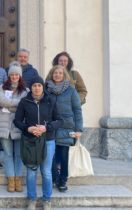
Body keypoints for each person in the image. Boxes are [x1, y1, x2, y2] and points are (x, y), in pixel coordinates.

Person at [14, 76, 63, 210]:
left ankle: (47, 199)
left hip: (47, 140)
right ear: (31, 87)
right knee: (31, 171)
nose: (37, 88)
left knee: (46, 171)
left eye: (39, 85)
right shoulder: (24, 102)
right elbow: (17, 121)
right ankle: (32, 199)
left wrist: (46, 128)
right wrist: (28, 128)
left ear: (43, 87)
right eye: (34, 85)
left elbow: (59, 120)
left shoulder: (50, 101)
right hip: (30, 140)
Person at [45, 65, 83, 193]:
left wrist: (79, 129)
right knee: (50, 155)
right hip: (50, 127)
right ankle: (55, 178)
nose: (57, 75)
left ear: (64, 75)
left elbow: (77, 110)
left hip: (66, 127)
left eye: (60, 73)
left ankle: (63, 180)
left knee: (64, 155)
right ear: (51, 74)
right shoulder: (46, 90)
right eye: (55, 72)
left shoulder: (71, 91)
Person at [0, 62, 29, 192]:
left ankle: (18, 179)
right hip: (4, 125)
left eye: (16, 74)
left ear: (20, 76)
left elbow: (25, 105)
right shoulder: (2, 88)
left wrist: (8, 106)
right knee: (8, 154)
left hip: (19, 125)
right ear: (9, 76)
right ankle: (11, 180)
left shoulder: (26, 91)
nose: (14, 77)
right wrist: (17, 104)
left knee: (19, 154)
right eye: (12, 74)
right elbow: (1, 101)